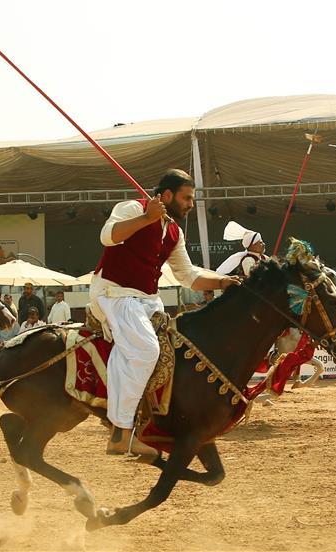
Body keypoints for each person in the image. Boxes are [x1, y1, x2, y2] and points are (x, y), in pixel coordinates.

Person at [91, 169, 240, 456]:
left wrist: (222, 282)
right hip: (115, 294)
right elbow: (107, 236)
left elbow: (188, 275)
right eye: (186, 198)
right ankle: (121, 432)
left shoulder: (174, 231)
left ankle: (154, 423)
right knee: (146, 351)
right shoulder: (133, 208)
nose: (190, 204)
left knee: (177, 351)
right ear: (168, 195)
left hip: (149, 301)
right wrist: (146, 217)